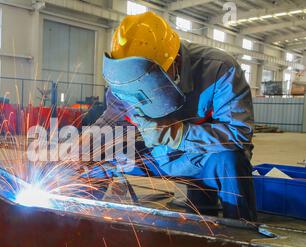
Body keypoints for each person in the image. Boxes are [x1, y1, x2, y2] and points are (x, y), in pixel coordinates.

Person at [86, 11, 257, 221]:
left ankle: (240, 235)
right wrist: (85, 143)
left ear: (174, 63)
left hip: (199, 158)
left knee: (231, 160)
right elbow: (113, 120)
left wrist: (178, 134)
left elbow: (239, 133)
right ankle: (77, 219)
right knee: (97, 154)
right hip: (157, 154)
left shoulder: (219, 69)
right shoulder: (124, 83)